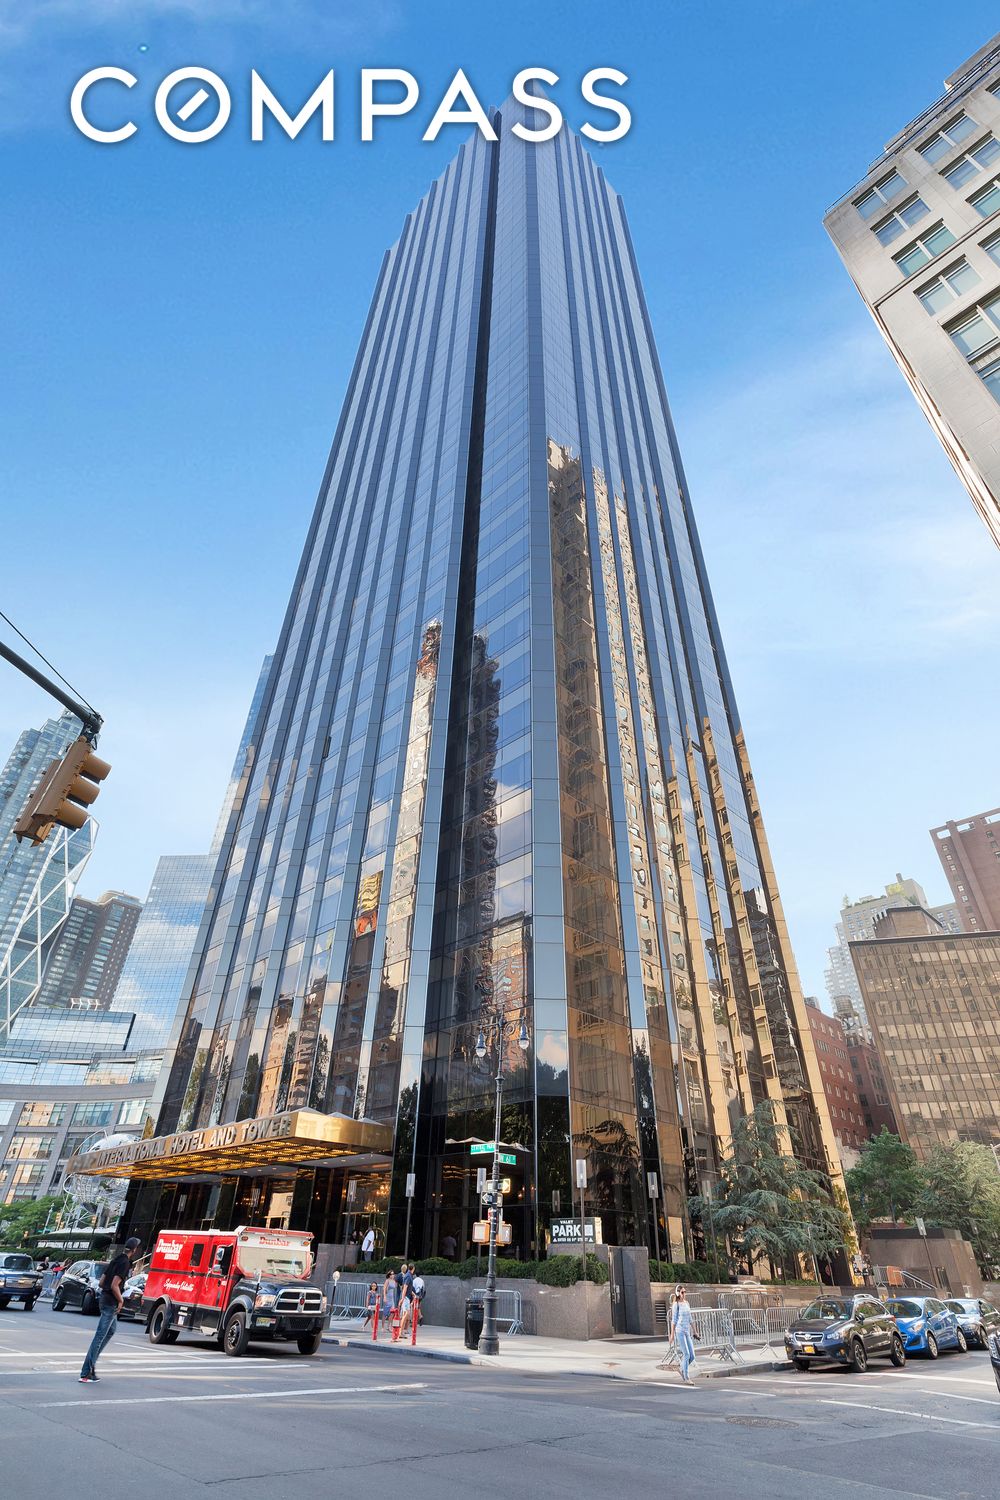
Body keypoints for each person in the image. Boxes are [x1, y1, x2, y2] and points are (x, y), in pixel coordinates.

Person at [79, 1236, 142, 1383]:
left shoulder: (116, 1259)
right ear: (134, 1250)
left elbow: (101, 1282)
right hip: (111, 1302)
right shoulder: (125, 1263)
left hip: (104, 1299)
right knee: (100, 1336)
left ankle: (91, 1365)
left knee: (111, 1331)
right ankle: (86, 1372)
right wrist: (121, 1300)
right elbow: (114, 1285)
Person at [669, 1284, 696, 1385]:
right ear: (678, 1293)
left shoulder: (687, 1303)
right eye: (682, 1292)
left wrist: (695, 1331)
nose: (684, 1294)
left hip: (687, 1331)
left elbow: (690, 1319)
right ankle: (686, 1377)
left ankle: (682, 1368)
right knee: (686, 1354)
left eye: (685, 1292)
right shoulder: (676, 1305)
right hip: (679, 1331)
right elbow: (674, 1320)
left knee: (692, 1356)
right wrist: (672, 1335)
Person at [380, 1269, 397, 1334]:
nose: (393, 1275)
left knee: (392, 1312)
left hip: (391, 1298)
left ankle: (389, 1326)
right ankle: (382, 1327)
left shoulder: (394, 1281)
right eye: (391, 1274)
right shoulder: (387, 1280)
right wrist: (384, 1297)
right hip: (387, 1298)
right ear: (389, 1275)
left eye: (393, 1274)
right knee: (385, 1313)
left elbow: (395, 1286)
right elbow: (384, 1289)